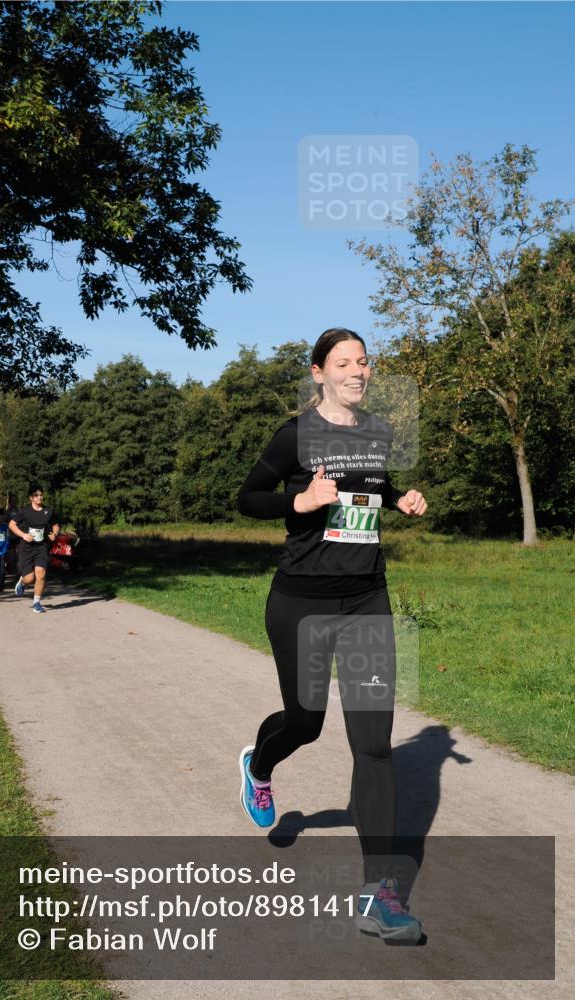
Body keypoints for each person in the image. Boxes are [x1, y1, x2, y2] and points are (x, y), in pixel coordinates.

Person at [236, 328, 428, 944]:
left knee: (373, 744)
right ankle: (259, 764)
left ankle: (380, 898)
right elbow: (248, 498)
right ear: (318, 372)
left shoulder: (377, 432)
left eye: (364, 362)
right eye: (343, 362)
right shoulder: (296, 434)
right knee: (305, 722)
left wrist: (400, 499)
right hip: (301, 603)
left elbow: (370, 488)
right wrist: (302, 497)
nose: (357, 370)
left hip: (367, 600)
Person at [8, 485, 59, 613]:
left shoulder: (48, 511)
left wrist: (54, 534)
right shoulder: (24, 512)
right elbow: (11, 525)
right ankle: (23, 582)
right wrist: (24, 535)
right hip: (26, 548)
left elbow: (55, 525)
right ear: (31, 498)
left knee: (41, 573)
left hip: (41, 546)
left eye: (41, 494)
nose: (39, 497)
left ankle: (37, 602)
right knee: (30, 578)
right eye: (36, 495)